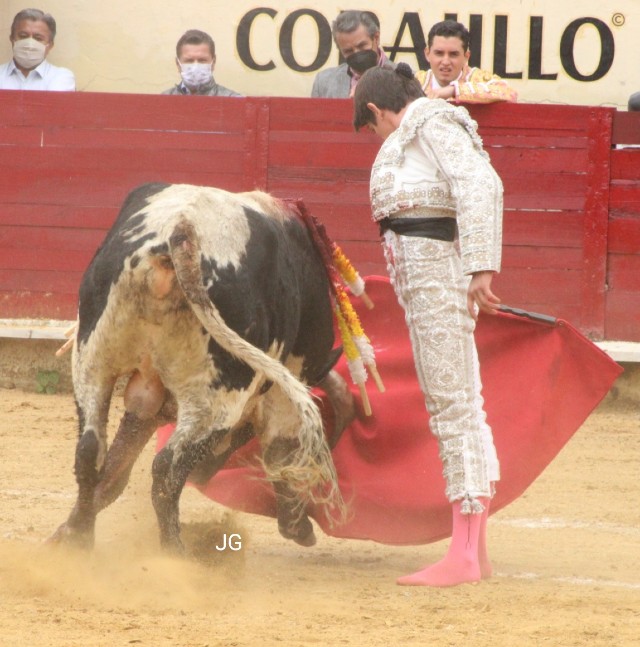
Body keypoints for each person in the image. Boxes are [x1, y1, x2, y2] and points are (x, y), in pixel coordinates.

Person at [353, 63, 503, 587]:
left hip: (437, 277)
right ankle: (474, 551)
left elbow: (479, 183)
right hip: (426, 281)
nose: (375, 136)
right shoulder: (422, 127)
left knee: (453, 406)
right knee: (461, 404)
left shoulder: (431, 120)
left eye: (370, 126)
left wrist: (481, 265)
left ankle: (464, 556)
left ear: (377, 110)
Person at [416, 20, 516, 103]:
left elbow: (510, 93)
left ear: (466, 57)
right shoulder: (417, 81)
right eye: (439, 53)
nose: (446, 62)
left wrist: (455, 90)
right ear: (427, 54)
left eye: (453, 54)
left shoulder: (477, 78)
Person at [311, 10, 393, 98]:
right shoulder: (323, 83)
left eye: (362, 46)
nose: (357, 53)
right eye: (348, 51)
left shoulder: (402, 78)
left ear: (376, 38)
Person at [0, 8, 75, 91]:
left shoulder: (61, 76)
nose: (30, 44)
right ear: (12, 39)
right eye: (23, 36)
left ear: (50, 45)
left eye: (38, 38)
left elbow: (53, 99)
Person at [163, 29, 242, 97]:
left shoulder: (233, 100)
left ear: (213, 62)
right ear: (178, 64)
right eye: (189, 61)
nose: (195, 66)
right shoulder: (163, 100)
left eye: (202, 60)